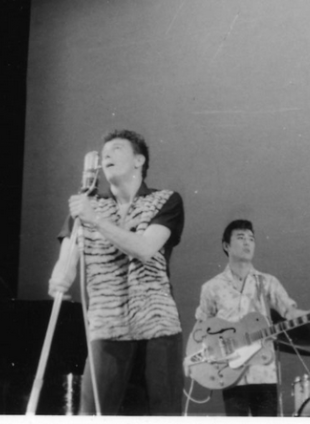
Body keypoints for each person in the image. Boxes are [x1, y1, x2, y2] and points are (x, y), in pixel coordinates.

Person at [48, 130, 185, 416]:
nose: (106, 155)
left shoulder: (165, 200)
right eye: (104, 152)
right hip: (107, 326)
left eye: (117, 149)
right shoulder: (85, 206)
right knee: (94, 413)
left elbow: (145, 249)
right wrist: (60, 275)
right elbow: (67, 260)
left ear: (139, 160)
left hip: (157, 325)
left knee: (164, 414)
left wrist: (95, 220)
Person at [192, 219, 310, 416]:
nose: (247, 243)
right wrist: (202, 361)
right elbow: (200, 329)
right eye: (241, 238)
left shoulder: (268, 282)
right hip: (230, 373)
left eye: (251, 238)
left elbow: (290, 313)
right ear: (226, 245)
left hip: (264, 373)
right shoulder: (211, 287)